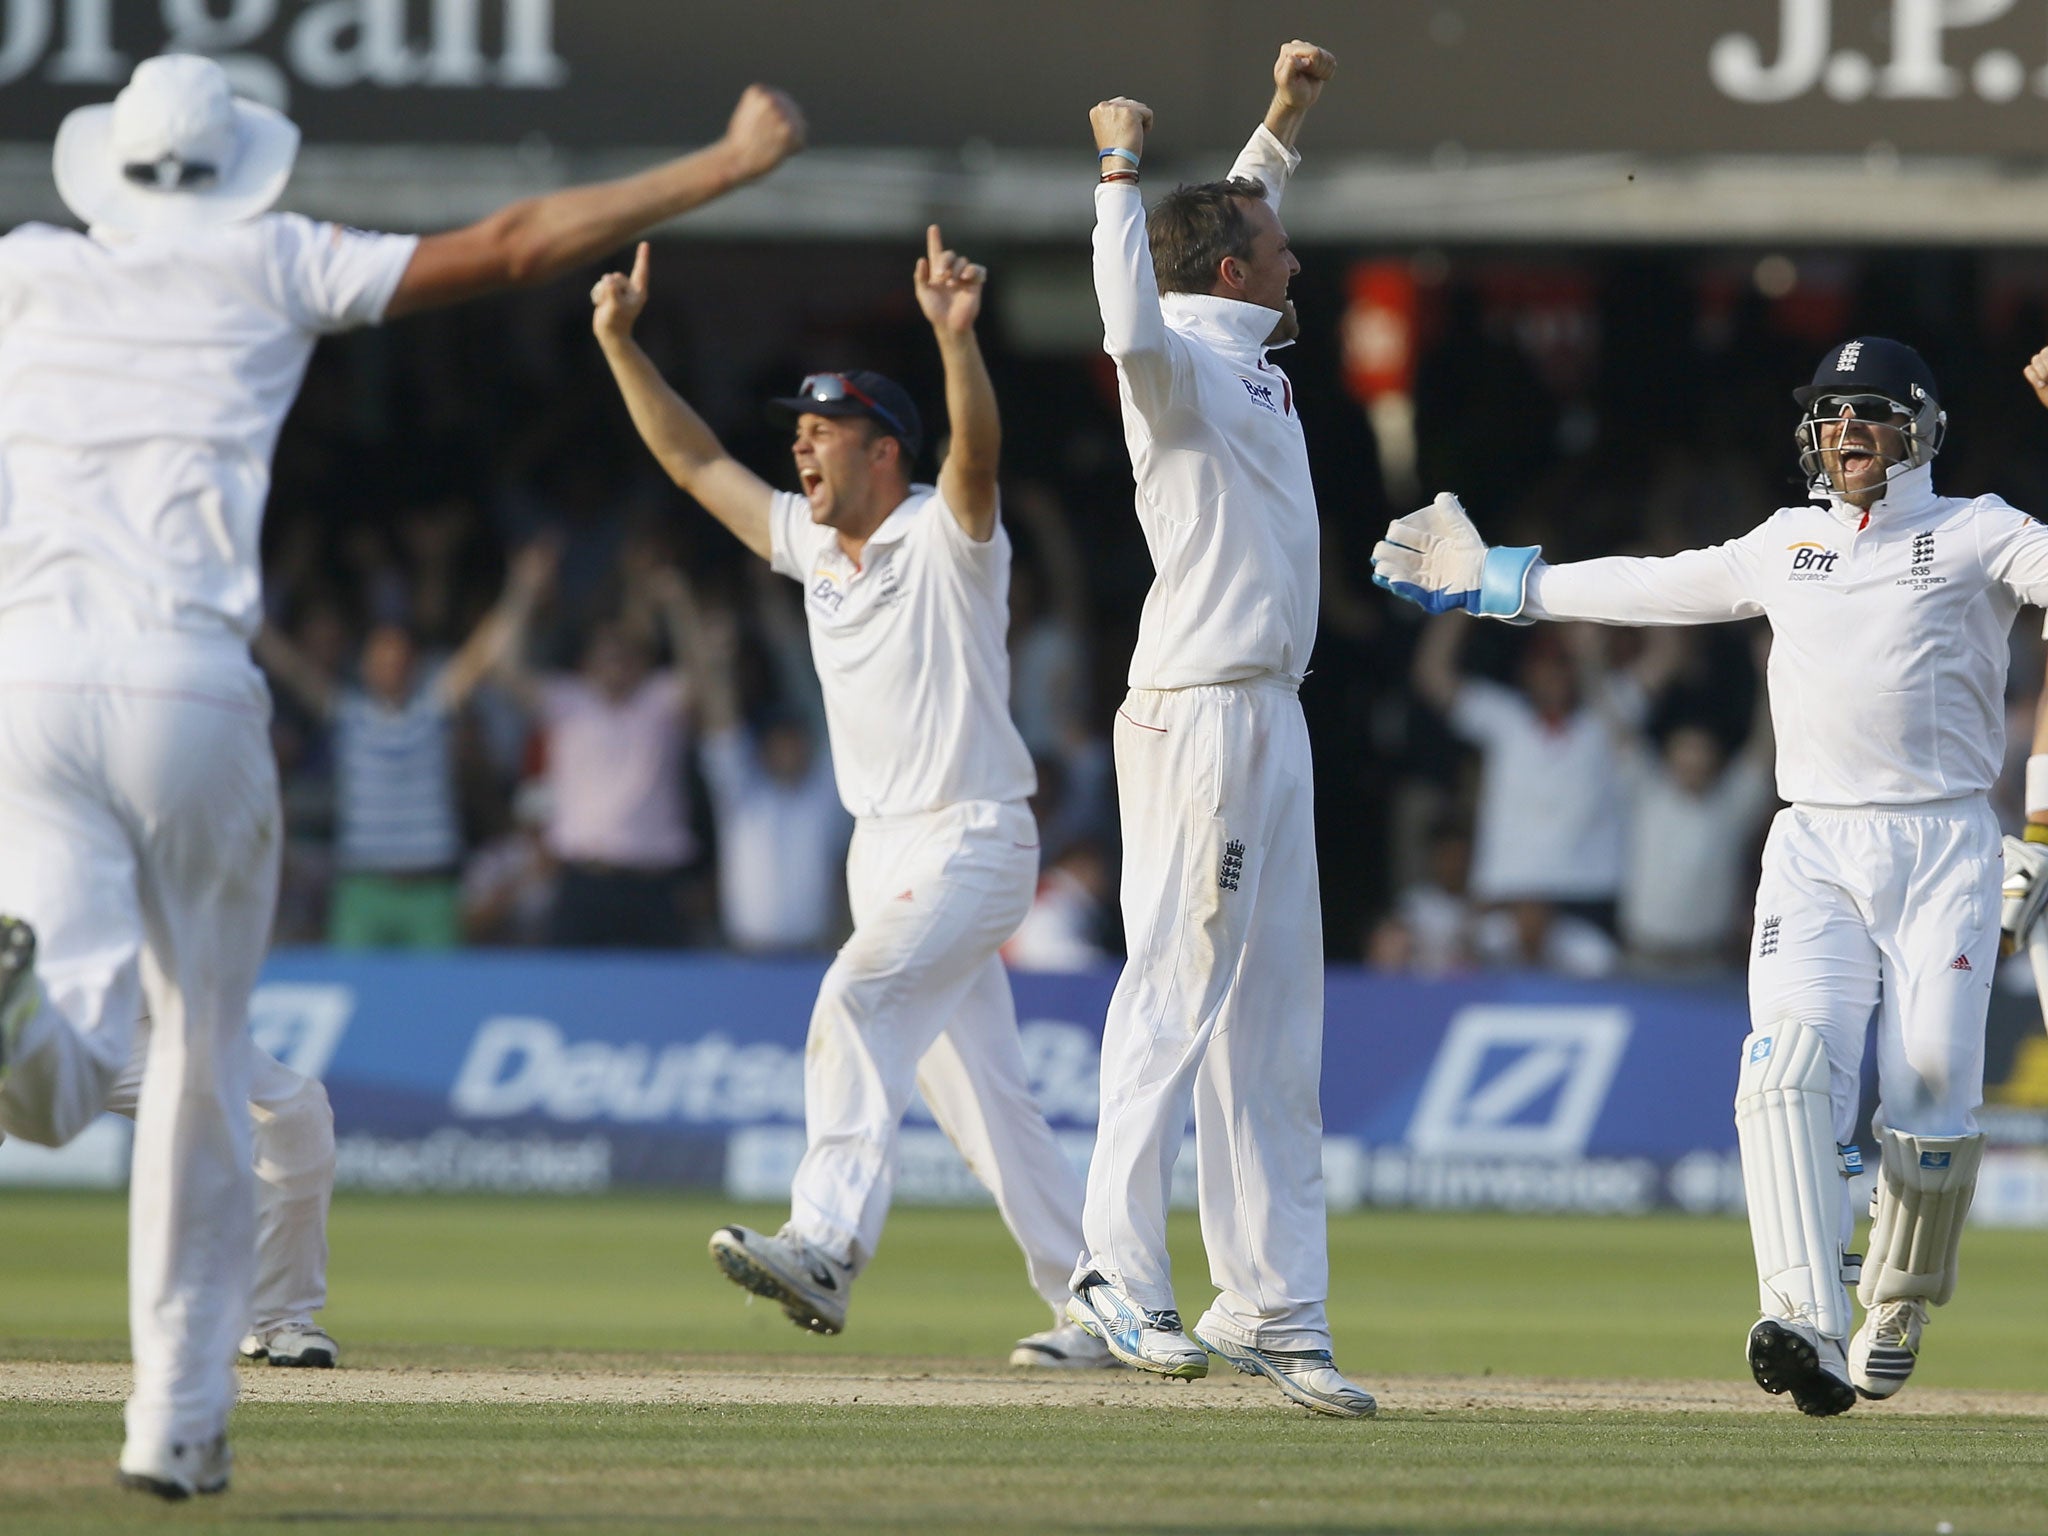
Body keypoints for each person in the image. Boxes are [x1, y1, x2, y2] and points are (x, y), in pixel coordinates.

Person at [0, 53, 805, 1498]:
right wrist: (721, 167)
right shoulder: (272, 256)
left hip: (27, 687)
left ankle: (22, 1027)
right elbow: (508, 246)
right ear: (238, 164)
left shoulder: (30, 272)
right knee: (197, 1059)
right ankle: (174, 1423)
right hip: (184, 681)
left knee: (57, 1080)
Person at [1372, 334, 2047, 1414]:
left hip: (1943, 846)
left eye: (1868, 413)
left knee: (1929, 1110)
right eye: (1829, 416)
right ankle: (1800, 1321)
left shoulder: (1978, 531)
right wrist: (1503, 580)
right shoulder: (1787, 541)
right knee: (1783, 1073)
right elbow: (1658, 587)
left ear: (1917, 427)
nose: (1846, 434)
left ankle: (1898, 1299)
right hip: (1813, 843)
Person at [590, 226, 1105, 1370]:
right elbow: (692, 465)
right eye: (797, 432)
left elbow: (975, 458)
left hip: (970, 835)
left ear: (884, 454)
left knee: (856, 1001)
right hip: (882, 852)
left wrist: (954, 340)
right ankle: (1103, 1305)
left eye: (821, 434)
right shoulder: (814, 548)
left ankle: (824, 1244)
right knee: (992, 1113)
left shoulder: (944, 535)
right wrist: (622, 346)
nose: (798, 449)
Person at [1072, 42, 1378, 1419]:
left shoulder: (1243, 344)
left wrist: (1280, 125)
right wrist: (1118, 175)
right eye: (1280, 249)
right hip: (1199, 710)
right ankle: (1112, 1272)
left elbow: (1235, 218)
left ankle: (1271, 1305)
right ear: (1236, 274)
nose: (1299, 261)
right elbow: (1136, 320)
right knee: (1178, 990)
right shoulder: (1181, 359)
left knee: (1274, 1023)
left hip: (1272, 712)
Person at [254, 543, 555, 948]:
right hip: (364, 890)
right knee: (358, 1000)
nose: (390, 667)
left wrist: (522, 590)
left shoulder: (433, 710)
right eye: (381, 659)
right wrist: (244, 605)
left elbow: (481, 655)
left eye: (398, 659)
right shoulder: (347, 715)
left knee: (437, 1006)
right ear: (365, 666)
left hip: (431, 891)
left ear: (414, 665)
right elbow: (289, 665)